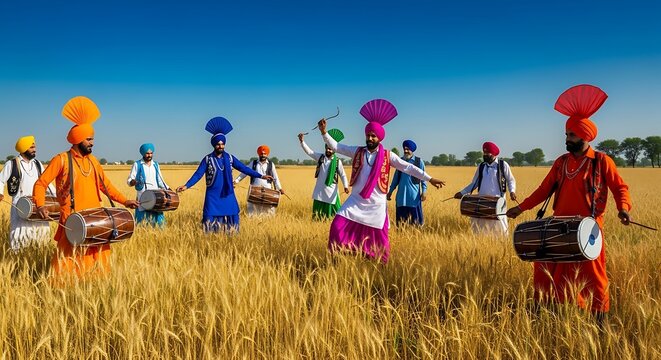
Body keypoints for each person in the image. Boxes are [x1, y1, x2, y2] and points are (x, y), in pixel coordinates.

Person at [506, 84, 632, 322]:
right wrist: (521, 207)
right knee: (544, 268)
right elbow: (543, 190)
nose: (567, 138)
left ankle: (599, 320)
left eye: (571, 135)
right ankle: (545, 314)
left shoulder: (602, 161)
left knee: (593, 276)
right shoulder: (561, 162)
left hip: (588, 229)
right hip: (559, 226)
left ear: (585, 136)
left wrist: (623, 208)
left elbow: (620, 188)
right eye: (566, 134)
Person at [317, 99, 446, 263]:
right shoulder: (357, 151)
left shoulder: (388, 156)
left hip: (376, 204)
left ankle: (379, 264)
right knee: (337, 225)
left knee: (378, 240)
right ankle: (339, 256)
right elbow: (336, 146)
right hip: (356, 200)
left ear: (379, 138)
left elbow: (408, 168)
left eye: (373, 136)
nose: (370, 138)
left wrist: (430, 179)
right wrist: (324, 132)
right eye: (368, 135)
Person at [33, 96, 138, 277]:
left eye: (92, 139)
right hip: (72, 220)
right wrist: (40, 205)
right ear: (78, 139)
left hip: (96, 220)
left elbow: (107, 186)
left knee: (97, 262)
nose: (92, 142)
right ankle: (60, 291)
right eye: (88, 139)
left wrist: (125, 201)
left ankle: (95, 287)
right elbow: (41, 183)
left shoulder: (94, 161)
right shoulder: (61, 160)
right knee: (66, 263)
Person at [176, 117, 272, 233]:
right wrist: (186, 186)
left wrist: (261, 176)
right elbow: (198, 174)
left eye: (222, 144)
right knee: (209, 220)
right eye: (218, 144)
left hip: (228, 194)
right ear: (213, 145)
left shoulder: (230, 158)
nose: (220, 146)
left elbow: (244, 168)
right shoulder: (207, 159)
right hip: (213, 196)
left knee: (232, 219)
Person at [0, 136, 55, 250]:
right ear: (24, 148)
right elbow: (1, 180)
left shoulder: (38, 164)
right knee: (19, 234)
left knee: (41, 233)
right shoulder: (12, 164)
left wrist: (56, 197)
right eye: (32, 147)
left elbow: (46, 182)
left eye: (34, 147)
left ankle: (39, 256)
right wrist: (0, 192)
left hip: (38, 204)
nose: (35, 149)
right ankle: (18, 256)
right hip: (20, 205)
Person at [453, 141, 517, 235]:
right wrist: (462, 193)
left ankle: (501, 243)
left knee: (500, 225)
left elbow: (511, 180)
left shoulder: (503, 165)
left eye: (487, 153)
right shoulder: (481, 166)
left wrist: (512, 191)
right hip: (482, 200)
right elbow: (474, 184)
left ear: (494, 154)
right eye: (484, 153)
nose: (485, 155)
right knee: (479, 225)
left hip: (498, 201)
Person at [298, 130, 349, 220]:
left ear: (334, 150)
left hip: (331, 191)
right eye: (327, 148)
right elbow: (309, 152)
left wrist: (345, 186)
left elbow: (343, 175)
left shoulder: (338, 162)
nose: (328, 150)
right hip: (320, 190)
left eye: (330, 149)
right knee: (318, 214)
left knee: (335, 214)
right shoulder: (320, 157)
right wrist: (302, 142)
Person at [127, 143, 170, 226]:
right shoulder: (137, 164)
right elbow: (129, 180)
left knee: (158, 221)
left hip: (156, 196)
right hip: (143, 196)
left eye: (151, 153)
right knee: (142, 222)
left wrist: (168, 189)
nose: (149, 155)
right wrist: (132, 182)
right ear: (143, 153)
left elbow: (161, 181)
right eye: (147, 153)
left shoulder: (156, 165)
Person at [234, 145, 284, 216]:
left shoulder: (271, 164)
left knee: (268, 210)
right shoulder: (253, 163)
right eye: (261, 153)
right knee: (252, 210)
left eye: (265, 154)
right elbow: (245, 172)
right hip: (255, 190)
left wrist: (280, 188)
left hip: (268, 190)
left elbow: (275, 177)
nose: (263, 155)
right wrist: (236, 181)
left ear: (267, 154)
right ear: (259, 154)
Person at [387, 140, 427, 226]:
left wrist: (424, 192)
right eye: (404, 149)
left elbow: (424, 178)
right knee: (401, 224)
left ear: (412, 150)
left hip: (413, 198)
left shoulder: (419, 161)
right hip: (401, 198)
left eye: (408, 149)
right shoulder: (400, 161)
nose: (405, 151)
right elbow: (395, 179)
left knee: (415, 224)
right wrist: (390, 192)